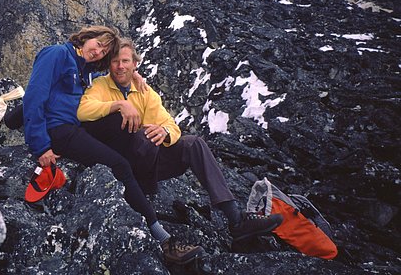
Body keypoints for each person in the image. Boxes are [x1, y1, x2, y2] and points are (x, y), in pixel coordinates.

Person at [18, 26, 205, 265]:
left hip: (70, 127)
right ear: (86, 38)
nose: (98, 52)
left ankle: (11, 118)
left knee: (116, 144)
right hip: (60, 131)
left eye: (105, 51)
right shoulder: (56, 54)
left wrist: (134, 76)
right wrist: (40, 146)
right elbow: (35, 95)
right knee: (120, 165)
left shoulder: (82, 67)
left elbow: (95, 81)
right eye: (97, 44)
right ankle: (163, 239)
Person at [76, 39, 283, 243]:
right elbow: (83, 111)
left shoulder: (145, 93)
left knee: (193, 143)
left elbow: (171, 124)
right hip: (120, 160)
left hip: (148, 159)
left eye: (125, 61)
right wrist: (118, 105)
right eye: (115, 62)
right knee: (143, 135)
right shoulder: (101, 85)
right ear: (109, 65)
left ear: (135, 64)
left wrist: (164, 132)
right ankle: (141, 193)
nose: (120, 66)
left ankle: (236, 220)